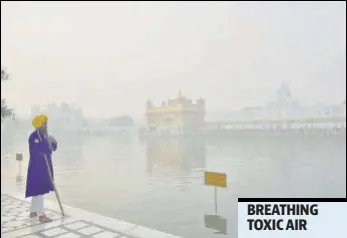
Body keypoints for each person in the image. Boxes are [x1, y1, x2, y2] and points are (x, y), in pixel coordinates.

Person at [25, 114, 58, 223]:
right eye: (44, 124)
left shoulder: (45, 136)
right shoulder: (33, 137)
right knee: (38, 189)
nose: (46, 126)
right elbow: (36, 152)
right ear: (39, 125)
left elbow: (51, 149)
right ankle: (41, 215)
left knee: (39, 190)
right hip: (37, 168)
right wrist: (46, 144)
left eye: (46, 124)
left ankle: (33, 211)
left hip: (45, 167)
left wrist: (53, 142)